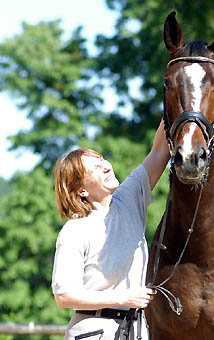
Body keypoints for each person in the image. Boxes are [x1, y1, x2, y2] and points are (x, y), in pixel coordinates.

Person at [52, 119, 170, 340]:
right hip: (93, 333)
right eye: (95, 168)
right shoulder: (74, 231)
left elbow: (159, 150)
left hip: (136, 330)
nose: (106, 165)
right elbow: (64, 296)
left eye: (102, 160)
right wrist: (123, 298)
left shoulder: (129, 199)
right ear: (81, 191)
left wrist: (174, 99)